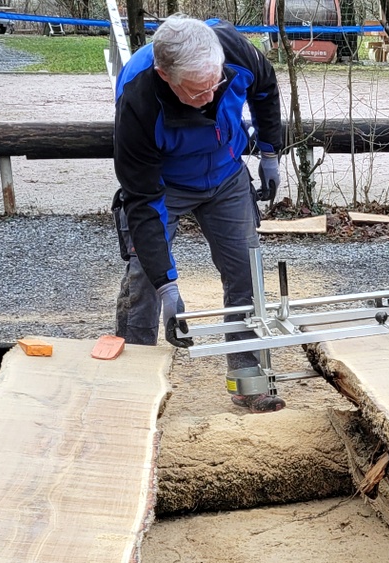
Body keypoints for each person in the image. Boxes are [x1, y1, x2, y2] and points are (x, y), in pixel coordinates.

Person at [112, 16, 286, 412]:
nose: (209, 96)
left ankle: (247, 378)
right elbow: (142, 202)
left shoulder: (235, 52)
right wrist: (167, 286)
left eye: (215, 85)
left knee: (245, 269)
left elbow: (266, 88)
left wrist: (272, 151)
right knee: (144, 278)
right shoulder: (137, 99)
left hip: (225, 174)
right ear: (165, 75)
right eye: (197, 91)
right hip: (165, 186)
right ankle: (132, 387)